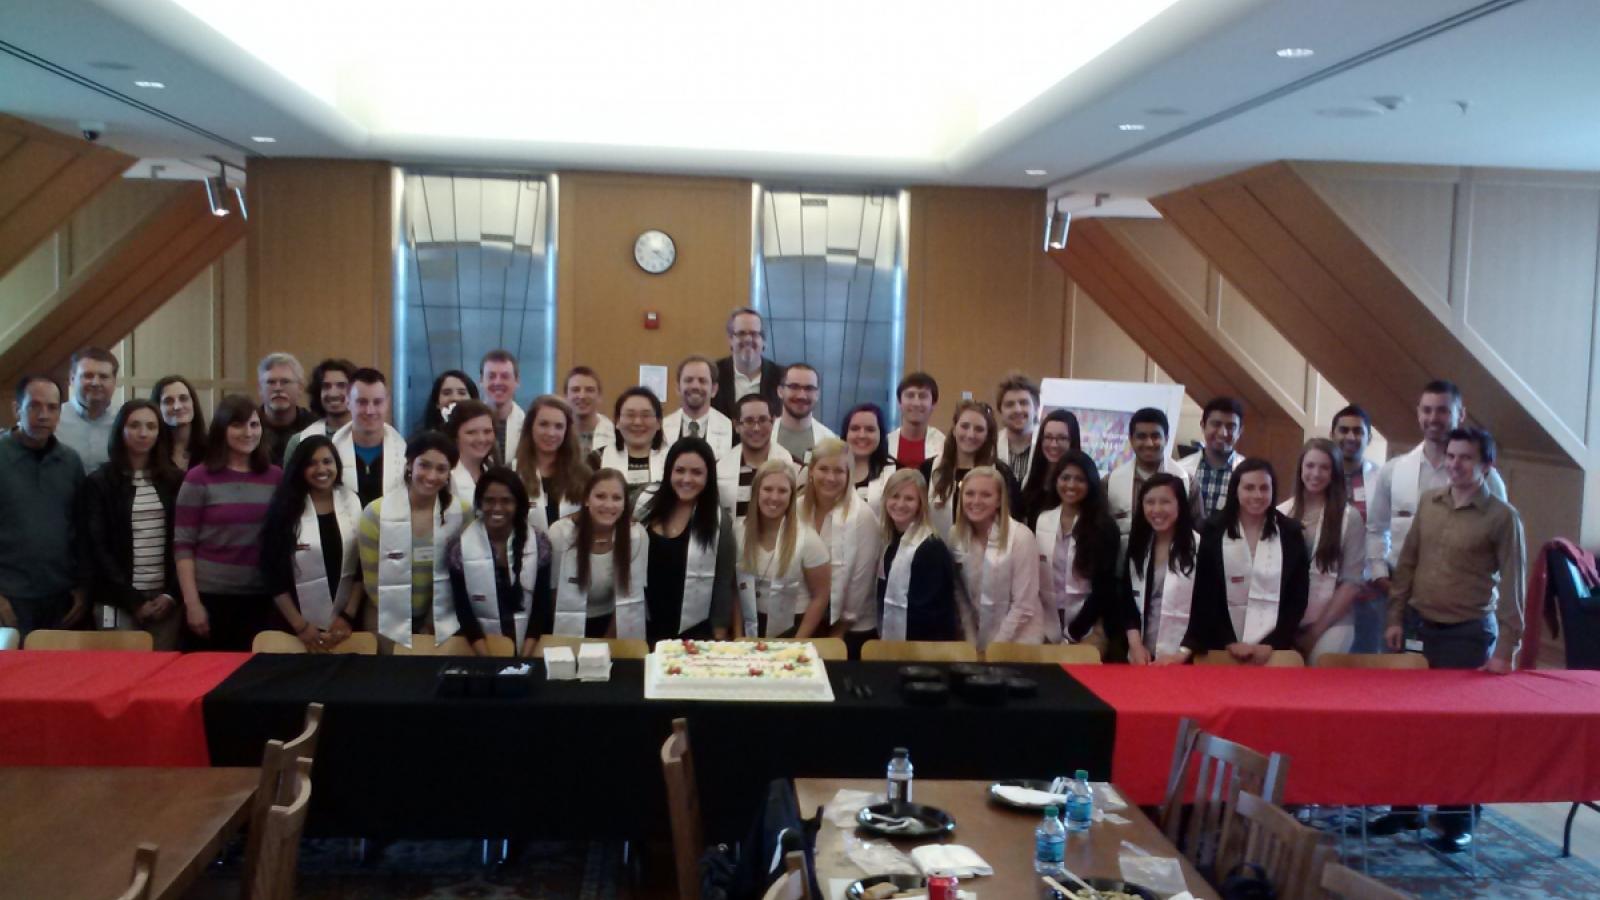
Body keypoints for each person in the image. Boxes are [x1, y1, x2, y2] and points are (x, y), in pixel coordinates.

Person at [1378, 426, 1525, 853]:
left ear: (1486, 466)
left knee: (1459, 735)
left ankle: (1455, 818)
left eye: (1466, 458)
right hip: (1420, 628)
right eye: (1452, 456)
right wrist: (1395, 617)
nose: (1456, 464)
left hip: (1467, 635)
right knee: (1410, 725)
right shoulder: (1431, 503)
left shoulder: (1501, 517)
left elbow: (1514, 588)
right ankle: (1404, 807)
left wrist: (1505, 651)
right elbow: (1407, 564)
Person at [1367, 380, 1507, 653]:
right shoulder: (1393, 471)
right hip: (1402, 600)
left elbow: (1501, 549)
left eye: (1443, 410)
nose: (1434, 418)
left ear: (1460, 414)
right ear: (1418, 412)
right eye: (1427, 410)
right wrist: (1380, 575)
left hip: (1462, 611)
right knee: (1400, 683)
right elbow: (1376, 528)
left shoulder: (1489, 481)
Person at [174, 395, 282, 650]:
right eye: (238, 425)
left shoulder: (276, 476)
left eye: (254, 425)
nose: (248, 432)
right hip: (211, 598)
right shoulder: (198, 478)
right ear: (222, 430)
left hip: (261, 598)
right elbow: (183, 546)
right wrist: (192, 604)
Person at [1180, 459, 1310, 664]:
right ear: (1235, 490)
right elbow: (1205, 595)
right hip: (1221, 645)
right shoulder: (1212, 530)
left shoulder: (1291, 534)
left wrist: (1272, 643)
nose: (1257, 495)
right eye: (1249, 488)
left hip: (1274, 648)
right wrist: (1229, 641)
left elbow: (1298, 598)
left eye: (1264, 488)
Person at [79, 400, 183, 649]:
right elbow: (97, 547)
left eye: (151, 426)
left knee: (163, 678)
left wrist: (171, 595)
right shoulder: (99, 483)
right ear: (120, 430)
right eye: (134, 425)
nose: (143, 433)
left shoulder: (175, 480)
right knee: (118, 674)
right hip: (116, 600)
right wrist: (133, 601)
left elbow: (187, 541)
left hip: (165, 600)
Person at [357, 431, 472, 650]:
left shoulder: (462, 514)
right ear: (410, 464)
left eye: (441, 469)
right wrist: (403, 625)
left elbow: (462, 573)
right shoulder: (375, 514)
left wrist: (430, 623)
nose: (431, 476)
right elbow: (371, 580)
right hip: (386, 618)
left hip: (443, 619)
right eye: (424, 465)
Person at [258, 435, 364, 651]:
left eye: (327, 461)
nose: (321, 469)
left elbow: (363, 569)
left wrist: (347, 616)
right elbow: (273, 574)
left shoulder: (352, 502)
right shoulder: (284, 509)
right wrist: (301, 625)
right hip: (292, 626)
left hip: (344, 625)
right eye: (311, 463)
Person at [0, 376, 87, 636]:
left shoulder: (70, 462)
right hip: (11, 598)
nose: (43, 415)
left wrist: (83, 587)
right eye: (34, 406)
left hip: (62, 597)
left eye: (52, 407)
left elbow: (80, 529)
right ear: (17, 409)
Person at [639, 437, 738, 642]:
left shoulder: (719, 522)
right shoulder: (642, 505)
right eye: (680, 470)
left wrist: (719, 630)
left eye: (697, 472)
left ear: (708, 476)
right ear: (669, 472)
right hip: (643, 622)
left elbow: (723, 580)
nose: (687, 479)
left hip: (693, 629)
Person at [1279, 439, 1366, 663]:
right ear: (1300, 469)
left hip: (1332, 621)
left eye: (1324, 467)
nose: (1316, 474)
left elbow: (1351, 583)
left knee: (1320, 664)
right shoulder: (1281, 513)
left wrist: (1315, 632)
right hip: (1287, 618)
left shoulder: (1349, 518)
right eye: (1310, 466)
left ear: (1334, 473)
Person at [446, 467, 550, 654]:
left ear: (518, 504)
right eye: (489, 500)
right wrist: (488, 660)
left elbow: (541, 607)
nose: (497, 508)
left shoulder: (539, 543)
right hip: (480, 649)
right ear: (479, 503)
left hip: (530, 648)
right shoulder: (459, 548)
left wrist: (525, 657)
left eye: (506, 501)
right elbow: (464, 611)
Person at [544, 469, 649, 644]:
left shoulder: (636, 536)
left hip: (612, 622)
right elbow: (554, 592)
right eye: (600, 496)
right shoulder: (560, 533)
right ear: (586, 499)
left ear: (625, 503)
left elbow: (631, 598)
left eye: (616, 498)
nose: (608, 505)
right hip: (566, 620)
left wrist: (605, 644)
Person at [800, 439, 883, 650]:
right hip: (804, 619)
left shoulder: (863, 516)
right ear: (811, 471)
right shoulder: (796, 509)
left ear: (849, 475)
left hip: (850, 628)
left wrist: (839, 631)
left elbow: (861, 582)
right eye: (823, 469)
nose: (830, 477)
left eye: (839, 471)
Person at [948, 465, 1042, 650]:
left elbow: (1023, 605)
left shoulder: (1021, 537)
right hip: (978, 641)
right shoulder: (955, 535)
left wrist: (995, 648)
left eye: (985, 495)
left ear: (999, 500)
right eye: (970, 494)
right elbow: (961, 598)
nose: (976, 501)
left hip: (1021, 642)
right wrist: (971, 642)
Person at [1034, 451, 1121, 649]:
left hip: (1088, 622)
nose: (1071, 485)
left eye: (1079, 479)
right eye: (1065, 478)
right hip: (1047, 619)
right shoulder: (1043, 520)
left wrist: (1074, 632)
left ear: (1090, 483)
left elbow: (1104, 588)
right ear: (1056, 481)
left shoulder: (1104, 526)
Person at [735, 461, 830, 638]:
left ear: (791, 496)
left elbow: (821, 595)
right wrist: (738, 636)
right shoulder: (739, 531)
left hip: (794, 628)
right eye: (768, 489)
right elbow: (737, 591)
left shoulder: (809, 540)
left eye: (782, 491)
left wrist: (798, 641)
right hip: (752, 625)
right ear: (756, 492)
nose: (774, 497)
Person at [1119, 473, 1200, 665]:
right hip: (1142, 655)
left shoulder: (1199, 546)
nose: (1156, 509)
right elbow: (1127, 599)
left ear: (1180, 504)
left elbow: (1205, 609)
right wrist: (1135, 644)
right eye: (1149, 502)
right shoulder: (1138, 544)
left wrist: (1181, 654)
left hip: (1185, 656)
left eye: (1165, 502)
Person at [876, 469, 961, 642]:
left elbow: (931, 611)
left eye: (909, 498)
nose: (900, 504)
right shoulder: (890, 542)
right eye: (895, 496)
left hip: (926, 646)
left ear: (920, 503)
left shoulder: (931, 547)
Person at [923, 400, 1023, 538]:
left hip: (986, 555)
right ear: (954, 429)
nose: (970, 435)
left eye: (979, 429)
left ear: (988, 434)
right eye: (964, 426)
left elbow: (1013, 522)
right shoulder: (929, 469)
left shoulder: (1002, 473)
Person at [1330, 403, 1384, 652]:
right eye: (1344, 430)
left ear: (1369, 437)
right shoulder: (1319, 474)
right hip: (1327, 591)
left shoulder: (1382, 479)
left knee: (1367, 664)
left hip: (1369, 592)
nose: (1350, 437)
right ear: (1333, 434)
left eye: (1358, 431)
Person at [1107, 408, 1191, 545]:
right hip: (1123, 561)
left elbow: (1195, 527)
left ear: (1167, 439)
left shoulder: (1187, 481)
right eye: (1141, 436)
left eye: (1155, 436)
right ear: (1131, 439)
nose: (1149, 443)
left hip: (1172, 560)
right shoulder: (1110, 482)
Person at [514, 395, 592, 532]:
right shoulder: (513, 472)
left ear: (567, 431)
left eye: (559, 426)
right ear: (530, 427)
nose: (551, 433)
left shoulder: (584, 475)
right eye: (543, 424)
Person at [333, 368, 407, 508]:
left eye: (377, 402)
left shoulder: (407, 455)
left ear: (387, 403)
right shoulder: (330, 454)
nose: (370, 411)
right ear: (347, 402)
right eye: (362, 402)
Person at [717, 394, 796, 523]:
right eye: (749, 421)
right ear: (736, 425)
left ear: (773, 421)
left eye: (763, 420)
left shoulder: (791, 466)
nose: (756, 428)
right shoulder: (720, 469)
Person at [598, 387, 668, 503]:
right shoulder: (597, 459)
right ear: (617, 421)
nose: (637, 422)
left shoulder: (674, 460)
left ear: (659, 423)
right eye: (630, 415)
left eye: (645, 415)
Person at [1179, 397, 1245, 521]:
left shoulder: (1248, 472)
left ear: (1240, 431)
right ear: (1203, 425)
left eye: (1231, 426)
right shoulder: (1180, 469)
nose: (1223, 433)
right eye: (1216, 424)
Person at [713, 307, 783, 421]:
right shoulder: (713, 375)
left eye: (754, 334)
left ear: (763, 341)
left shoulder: (782, 377)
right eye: (741, 333)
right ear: (730, 339)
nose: (748, 339)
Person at [55, 346, 118, 471]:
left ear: (114, 381)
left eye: (103, 377)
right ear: (72, 379)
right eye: (88, 376)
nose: (95, 383)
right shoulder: (53, 419)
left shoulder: (124, 421)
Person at [283, 358, 357, 463]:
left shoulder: (377, 437)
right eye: (326, 386)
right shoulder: (299, 441)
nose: (333, 393)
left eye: (342, 386)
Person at [1019, 409, 1083, 526]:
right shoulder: (1031, 478)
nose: (1053, 444)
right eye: (1048, 437)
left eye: (1062, 438)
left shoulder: (1083, 482)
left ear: (1073, 441)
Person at [662, 355, 733, 459]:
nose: (695, 386)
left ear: (714, 390)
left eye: (702, 381)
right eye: (688, 380)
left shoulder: (730, 428)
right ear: (678, 388)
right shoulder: (662, 428)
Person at [256, 352, 316, 466]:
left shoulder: (315, 427)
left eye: (285, 382)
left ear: (300, 388)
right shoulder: (246, 426)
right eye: (271, 382)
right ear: (260, 389)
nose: (278, 388)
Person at [775, 362, 838, 465]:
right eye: (794, 387)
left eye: (809, 388)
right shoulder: (765, 436)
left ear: (817, 394)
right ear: (780, 391)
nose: (801, 396)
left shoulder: (830, 440)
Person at [842, 402, 895, 515]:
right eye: (855, 429)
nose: (862, 435)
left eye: (870, 429)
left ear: (881, 434)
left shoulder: (895, 472)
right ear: (845, 433)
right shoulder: (830, 469)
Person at [443, 399, 499, 503]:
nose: (481, 439)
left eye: (487, 431)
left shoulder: (493, 472)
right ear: (455, 436)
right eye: (471, 432)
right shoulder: (445, 477)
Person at [885, 372, 942, 471]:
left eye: (923, 396)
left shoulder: (943, 447)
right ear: (899, 402)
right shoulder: (885, 446)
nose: (916, 403)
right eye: (910, 396)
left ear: (933, 404)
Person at [151, 375, 207, 470]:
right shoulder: (150, 451)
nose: (177, 406)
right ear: (157, 407)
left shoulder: (213, 449)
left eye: (183, 398)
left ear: (193, 403)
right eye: (168, 401)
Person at [994, 373, 1041, 485]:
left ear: (1036, 408)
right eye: (1009, 405)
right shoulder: (990, 448)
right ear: (1001, 411)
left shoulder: (1048, 447)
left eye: (1024, 403)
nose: (1017, 410)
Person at [480, 349, 525, 462]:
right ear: (481, 381)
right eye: (491, 376)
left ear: (517, 381)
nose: (498, 382)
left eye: (505, 376)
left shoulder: (528, 425)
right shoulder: (468, 424)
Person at [564, 366, 615, 455]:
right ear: (565, 396)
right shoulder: (556, 435)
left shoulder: (616, 437)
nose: (582, 396)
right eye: (575, 390)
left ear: (599, 396)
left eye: (589, 390)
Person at [419, 369, 479, 434]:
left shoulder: (485, 435)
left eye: (462, 393)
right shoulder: (425, 439)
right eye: (447, 393)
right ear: (437, 402)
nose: (455, 398)